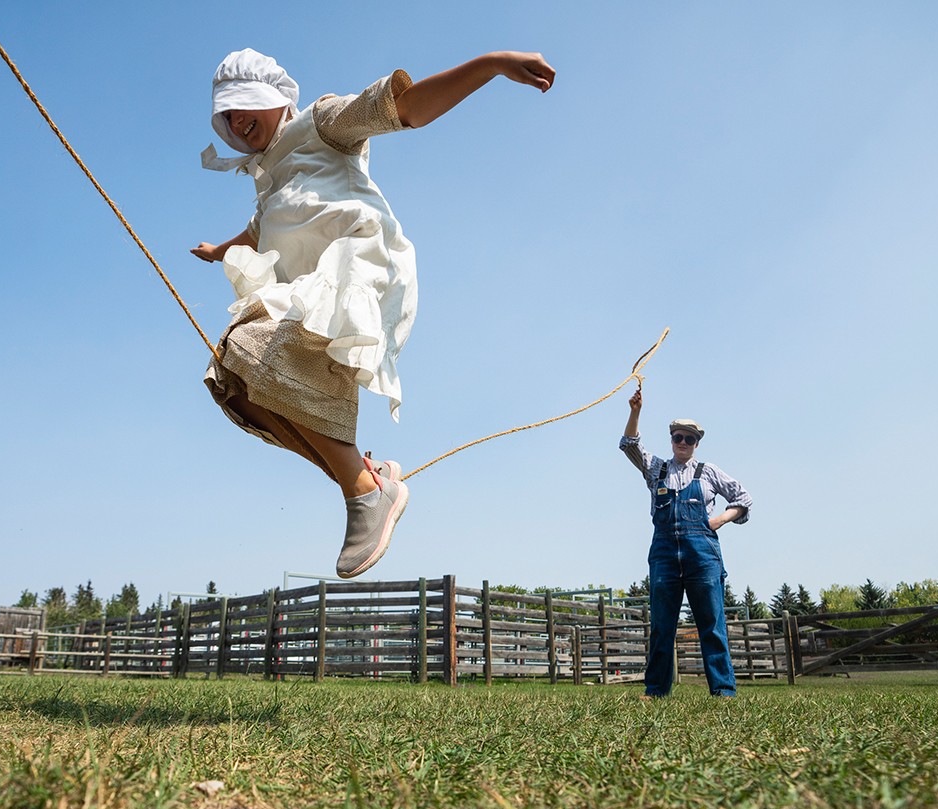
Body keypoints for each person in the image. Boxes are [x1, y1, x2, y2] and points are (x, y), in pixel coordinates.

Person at [191, 49, 555, 578]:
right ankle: (366, 476)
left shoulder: (322, 123)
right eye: (229, 113)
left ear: (277, 99)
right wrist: (219, 250)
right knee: (231, 379)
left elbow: (405, 108)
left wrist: (490, 65)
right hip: (305, 297)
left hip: (358, 270)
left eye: (248, 106)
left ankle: (363, 494)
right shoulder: (266, 181)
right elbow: (257, 229)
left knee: (250, 347)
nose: (239, 120)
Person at [620, 389, 753, 698]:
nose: (683, 443)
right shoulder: (657, 470)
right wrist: (635, 411)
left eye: (689, 439)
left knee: (712, 624)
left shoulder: (709, 472)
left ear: (697, 443)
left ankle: (723, 690)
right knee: (662, 626)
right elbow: (629, 445)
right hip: (665, 554)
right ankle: (655, 691)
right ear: (671, 440)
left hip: (703, 555)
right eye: (678, 437)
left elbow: (744, 499)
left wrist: (719, 520)